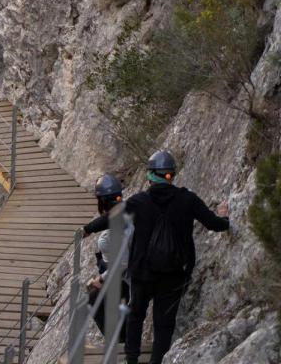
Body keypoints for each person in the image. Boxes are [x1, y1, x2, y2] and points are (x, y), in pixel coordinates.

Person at [83, 150, 230, 364]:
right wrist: (224, 217)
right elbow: (215, 225)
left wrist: (87, 229)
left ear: (149, 175)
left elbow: (110, 219)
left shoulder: (139, 202)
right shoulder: (188, 199)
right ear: (172, 174)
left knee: (136, 316)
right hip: (175, 273)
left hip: (143, 273)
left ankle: (132, 360)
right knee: (164, 323)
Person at [86, 174, 130, 343]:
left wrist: (102, 279)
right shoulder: (125, 212)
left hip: (125, 277)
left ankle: (119, 342)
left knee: (94, 299)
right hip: (124, 275)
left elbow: (124, 262)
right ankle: (120, 341)